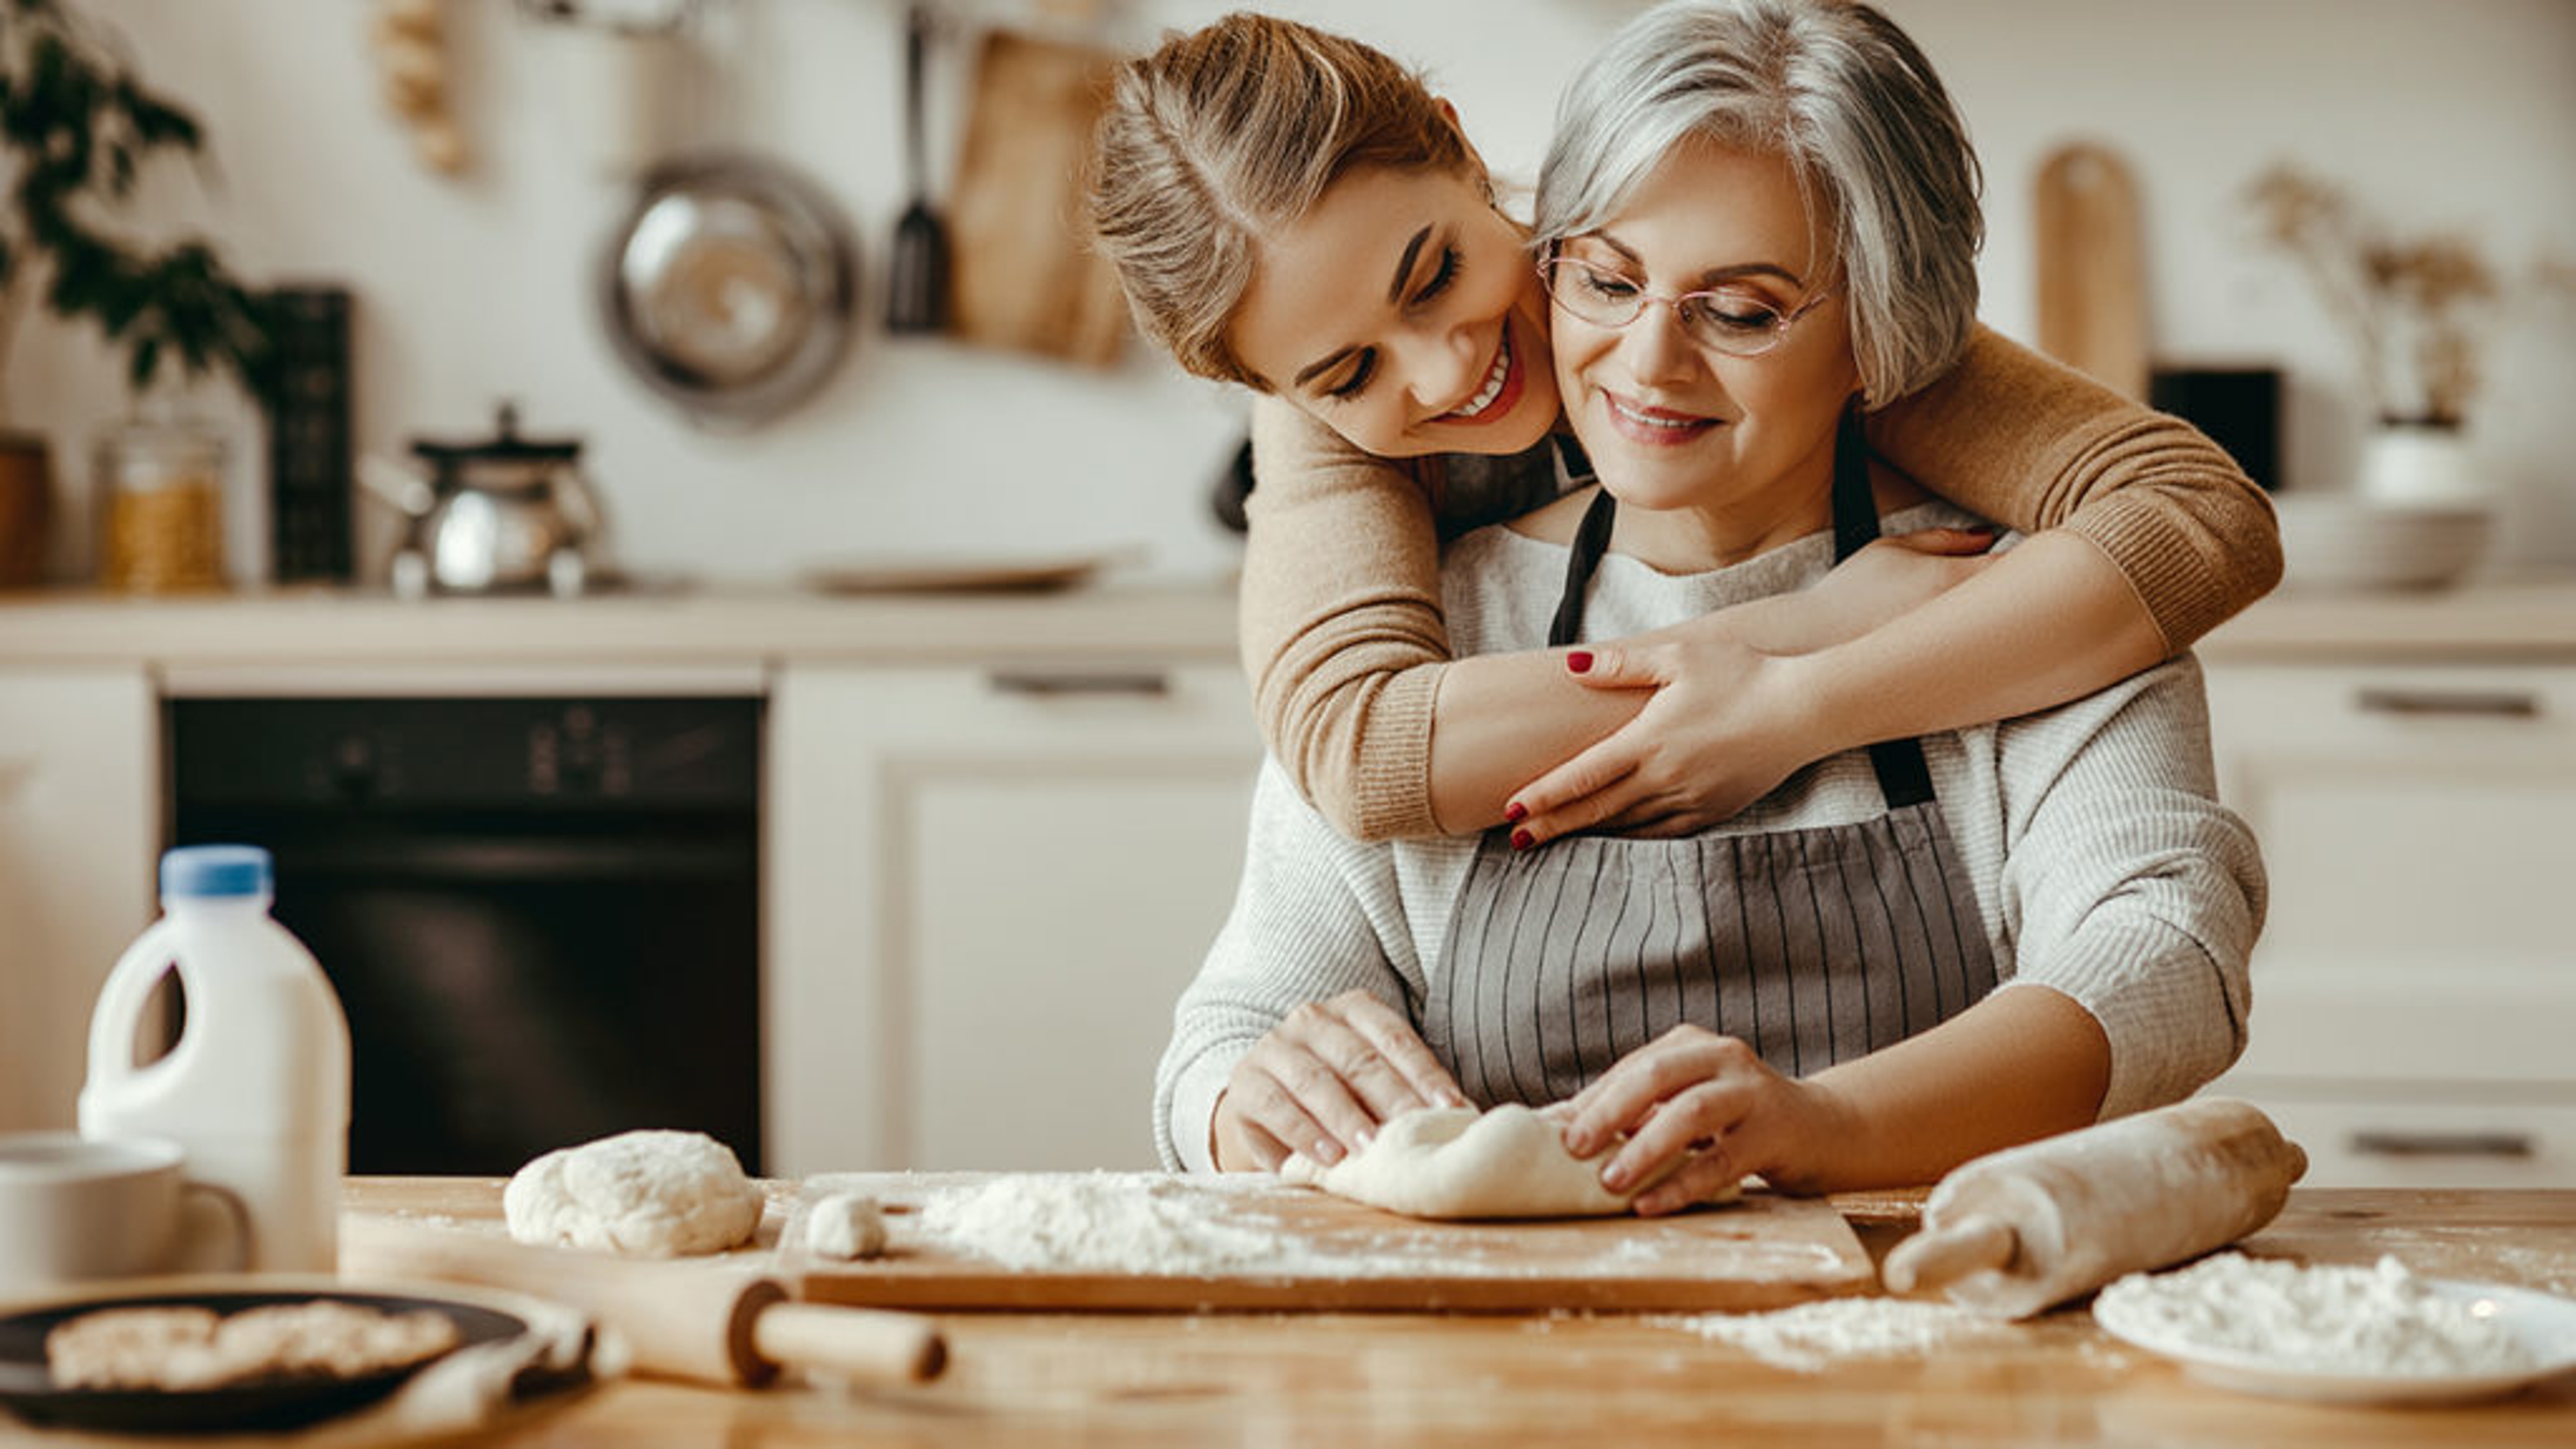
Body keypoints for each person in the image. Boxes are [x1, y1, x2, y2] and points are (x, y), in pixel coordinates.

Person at [1152, 0, 2264, 1205]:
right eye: (1609, 283)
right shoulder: (1430, 635)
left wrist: (1825, 1123)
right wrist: (1238, 1099)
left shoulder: (2020, 602)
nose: (1649, 363)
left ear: (1889, 334)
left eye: (1740, 312)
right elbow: (1237, 1020)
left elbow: (2166, 961)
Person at [1089, 10, 2279, 851]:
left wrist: (1813, 707)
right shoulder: (1315, 427)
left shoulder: (1696, 282)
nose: (1448, 366)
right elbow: (1362, 751)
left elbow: (2199, 517)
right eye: (1350, 373)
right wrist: (1807, 627)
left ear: (1462, 151)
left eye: (1435, 273)